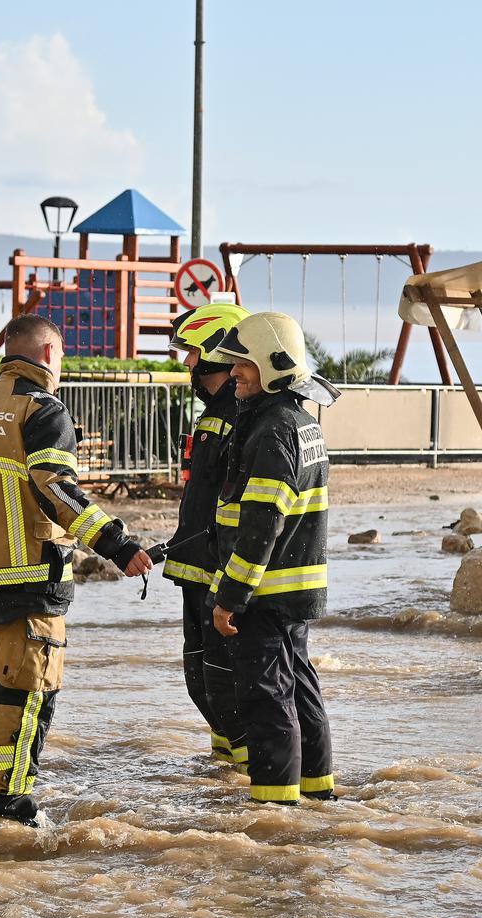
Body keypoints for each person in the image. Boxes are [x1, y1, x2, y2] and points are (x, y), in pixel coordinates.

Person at [0, 313, 153, 825]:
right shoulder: (42, 409)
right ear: (49, 354)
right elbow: (55, 488)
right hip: (28, 580)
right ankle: (11, 810)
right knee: (29, 697)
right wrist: (117, 545)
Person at [208, 311, 339, 805]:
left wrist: (230, 598)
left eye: (243, 364)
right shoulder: (302, 423)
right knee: (302, 692)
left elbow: (261, 526)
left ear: (272, 364)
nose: (235, 373)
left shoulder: (272, 431)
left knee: (267, 701)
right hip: (294, 590)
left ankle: (275, 810)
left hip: (263, 593)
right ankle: (316, 794)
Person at [164, 302, 252, 766]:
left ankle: (249, 778)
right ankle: (224, 777)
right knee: (200, 681)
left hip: (221, 572)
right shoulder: (215, 413)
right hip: (194, 564)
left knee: (223, 683)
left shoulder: (242, 416)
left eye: (192, 353)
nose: (187, 364)